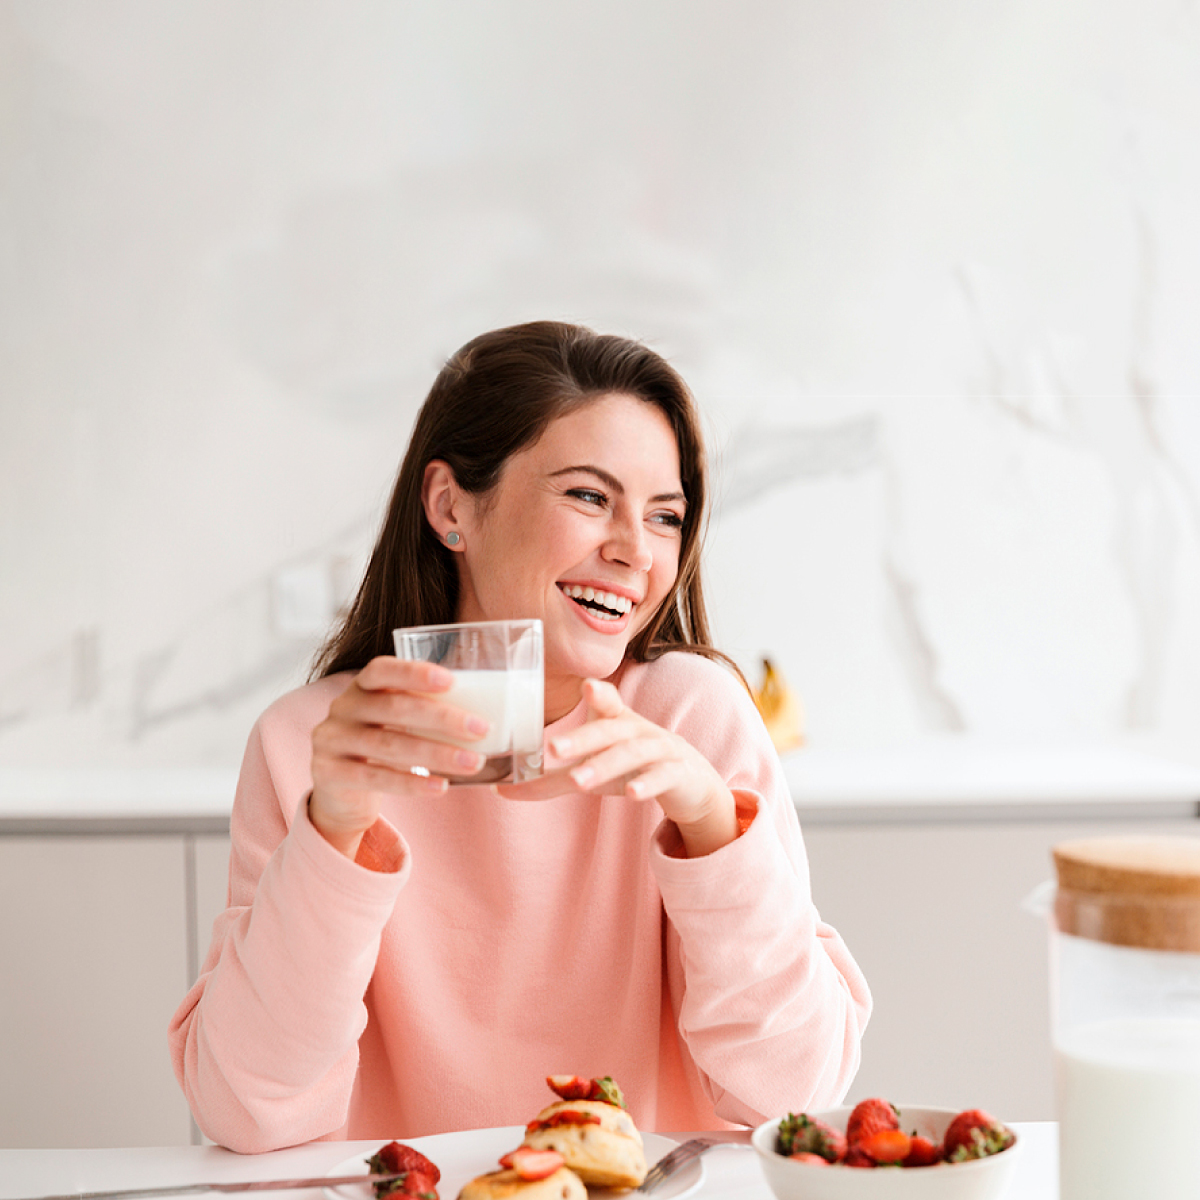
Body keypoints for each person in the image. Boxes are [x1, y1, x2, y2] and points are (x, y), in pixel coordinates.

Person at [169, 320, 871, 1153]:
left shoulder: (695, 716)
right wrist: (333, 832)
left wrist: (711, 827)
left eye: (665, 516)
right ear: (450, 506)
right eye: (588, 496)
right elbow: (250, 1115)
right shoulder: (306, 744)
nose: (635, 552)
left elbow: (795, 1095)